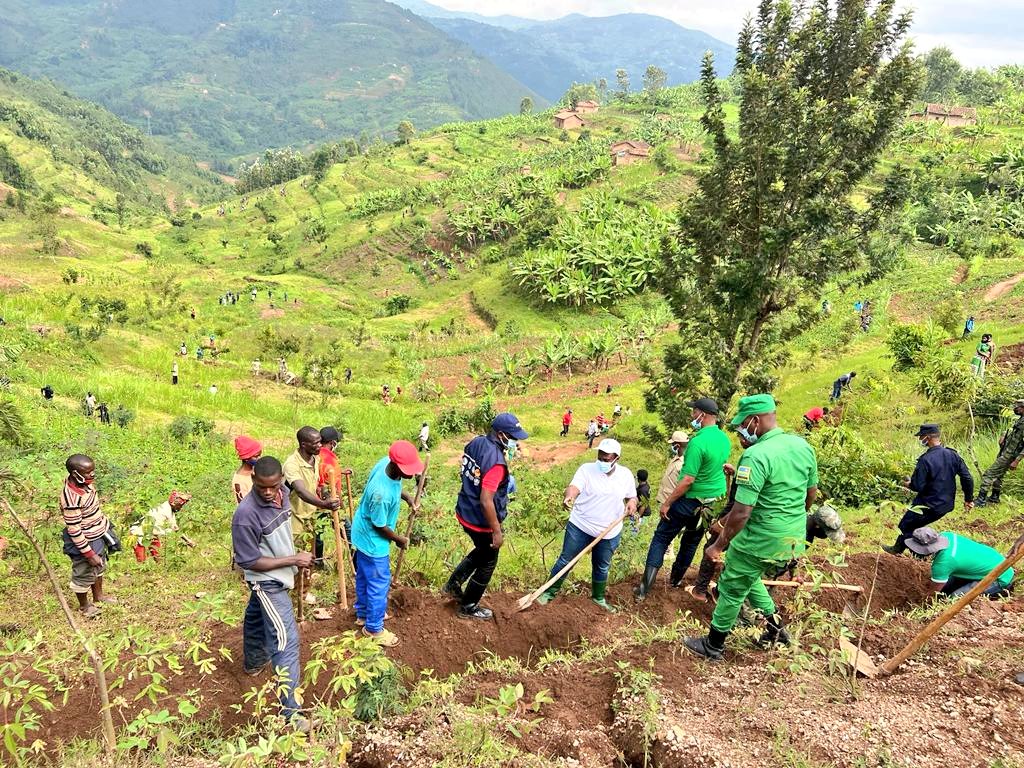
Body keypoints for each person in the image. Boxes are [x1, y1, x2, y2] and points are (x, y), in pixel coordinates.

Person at [684, 394, 819, 660]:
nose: (740, 430)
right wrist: (790, 519)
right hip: (792, 539)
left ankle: (713, 645)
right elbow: (811, 493)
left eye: (742, 424)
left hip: (760, 538)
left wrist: (717, 545)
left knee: (732, 585)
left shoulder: (755, 456)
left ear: (755, 421)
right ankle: (777, 630)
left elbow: (741, 511)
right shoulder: (802, 446)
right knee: (750, 576)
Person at [231, 456, 312, 733]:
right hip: (267, 582)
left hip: (281, 575)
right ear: (253, 480)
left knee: (256, 618)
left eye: (273, 486)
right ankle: (291, 714)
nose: (268, 492)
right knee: (286, 641)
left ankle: (254, 663)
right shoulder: (245, 516)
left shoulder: (283, 493)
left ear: (280, 482)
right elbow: (248, 561)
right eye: (262, 487)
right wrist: (293, 560)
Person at [636, 398, 731, 600]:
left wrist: (667, 503)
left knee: (661, 537)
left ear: (703, 415)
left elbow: (688, 480)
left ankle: (644, 589)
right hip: (710, 504)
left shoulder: (697, 442)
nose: (692, 416)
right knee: (690, 542)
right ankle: (675, 581)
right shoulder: (724, 439)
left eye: (694, 412)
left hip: (689, 501)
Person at [443, 412, 529, 620]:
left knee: (482, 550)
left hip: (465, 509)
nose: (516, 442)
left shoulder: (477, 442)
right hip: (480, 521)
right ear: (501, 434)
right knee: (489, 560)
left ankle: (453, 584)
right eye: (513, 437)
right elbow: (486, 500)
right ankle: (468, 606)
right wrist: (496, 531)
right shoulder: (496, 463)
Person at [537, 438, 638, 611]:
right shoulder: (586, 469)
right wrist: (570, 496)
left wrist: (632, 503)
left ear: (616, 459)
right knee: (566, 560)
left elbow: (631, 496)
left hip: (609, 531)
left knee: (602, 566)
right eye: (600, 456)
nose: (602, 461)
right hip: (580, 526)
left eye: (606, 458)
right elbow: (574, 487)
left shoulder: (625, 475)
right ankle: (548, 592)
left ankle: (598, 598)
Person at [351, 441, 425, 647]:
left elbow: (395, 486)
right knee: (379, 583)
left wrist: (407, 497)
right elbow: (379, 526)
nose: (412, 474)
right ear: (396, 465)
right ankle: (374, 628)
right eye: (408, 470)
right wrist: (399, 539)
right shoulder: (381, 494)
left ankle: (363, 613)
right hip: (373, 541)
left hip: (361, 533)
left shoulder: (386, 463)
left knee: (365, 576)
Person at [883, 424, 974, 554]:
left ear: (928, 437)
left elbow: (917, 486)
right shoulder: (953, 455)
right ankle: (900, 550)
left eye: (921, 437)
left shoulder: (925, 460)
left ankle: (918, 555)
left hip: (927, 504)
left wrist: (908, 484)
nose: (920, 439)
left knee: (905, 525)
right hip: (946, 504)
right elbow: (967, 478)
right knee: (914, 525)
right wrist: (968, 499)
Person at [60, 454, 116, 618]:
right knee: (84, 572)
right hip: (84, 540)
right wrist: (89, 553)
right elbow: (74, 530)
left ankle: (99, 596)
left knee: (99, 566)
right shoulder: (71, 499)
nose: (92, 474)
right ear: (75, 473)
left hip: (96, 533)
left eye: (93, 470)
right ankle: (84, 606)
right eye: (87, 472)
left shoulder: (85, 483)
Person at [283, 427, 341, 568]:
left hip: (310, 516)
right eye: (316, 443)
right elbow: (301, 491)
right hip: (294, 517)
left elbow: (318, 484)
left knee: (309, 559)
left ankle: (306, 581)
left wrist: (326, 494)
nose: (320, 445)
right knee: (295, 559)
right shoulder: (292, 464)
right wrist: (324, 504)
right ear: (304, 444)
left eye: (320, 441)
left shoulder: (316, 459)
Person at [905, 527, 1014, 599]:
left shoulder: (943, 563)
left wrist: (922, 601)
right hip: (993, 562)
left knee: (954, 598)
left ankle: (1000, 591)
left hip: (999, 576)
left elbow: (932, 594)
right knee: (945, 588)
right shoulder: (947, 535)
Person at [977, 399, 1024, 507]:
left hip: (1010, 455)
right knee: (999, 476)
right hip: (1005, 451)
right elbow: (1015, 434)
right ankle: (994, 497)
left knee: (989, 474)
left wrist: (1017, 461)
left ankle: (981, 500)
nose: (1015, 410)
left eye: (1017, 408)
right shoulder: (1021, 419)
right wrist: (1003, 436)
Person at [131, 491, 191, 562]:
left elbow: (175, 527)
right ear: (174, 503)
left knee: (158, 554)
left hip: (150, 533)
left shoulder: (169, 508)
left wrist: (188, 540)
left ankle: (159, 565)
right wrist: (188, 541)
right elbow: (172, 529)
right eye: (179, 506)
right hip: (139, 533)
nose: (180, 508)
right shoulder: (165, 510)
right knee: (141, 560)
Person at [656, 430, 689, 510]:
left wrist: (668, 504)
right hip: (665, 501)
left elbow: (685, 486)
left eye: (672, 444)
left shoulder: (685, 463)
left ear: (677, 445)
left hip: (672, 505)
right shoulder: (676, 458)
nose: (671, 446)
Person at [233, 436, 263, 503]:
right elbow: (242, 504)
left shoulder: (255, 470)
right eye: (256, 456)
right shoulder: (239, 481)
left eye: (260, 455)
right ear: (246, 458)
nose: (259, 458)